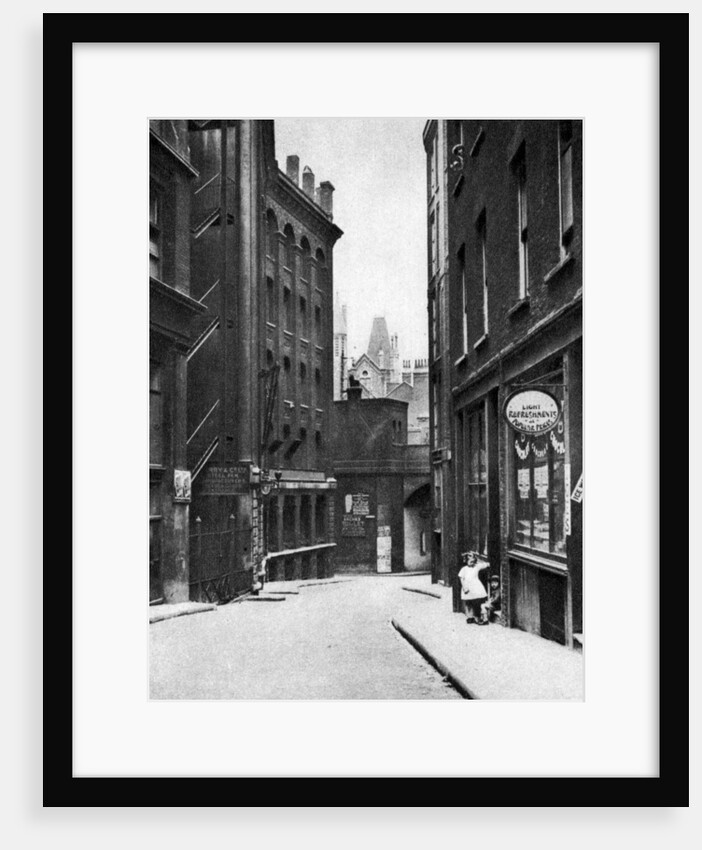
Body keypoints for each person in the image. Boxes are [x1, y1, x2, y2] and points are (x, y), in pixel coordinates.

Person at [458, 551, 489, 625]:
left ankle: (477, 616)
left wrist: (486, 564)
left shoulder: (476, 567)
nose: (472, 563)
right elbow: (461, 578)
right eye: (470, 562)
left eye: (473, 562)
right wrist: (464, 587)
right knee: (468, 603)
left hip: (476, 587)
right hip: (468, 587)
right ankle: (470, 616)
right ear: (466, 561)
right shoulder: (464, 569)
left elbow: (485, 565)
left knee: (476, 601)